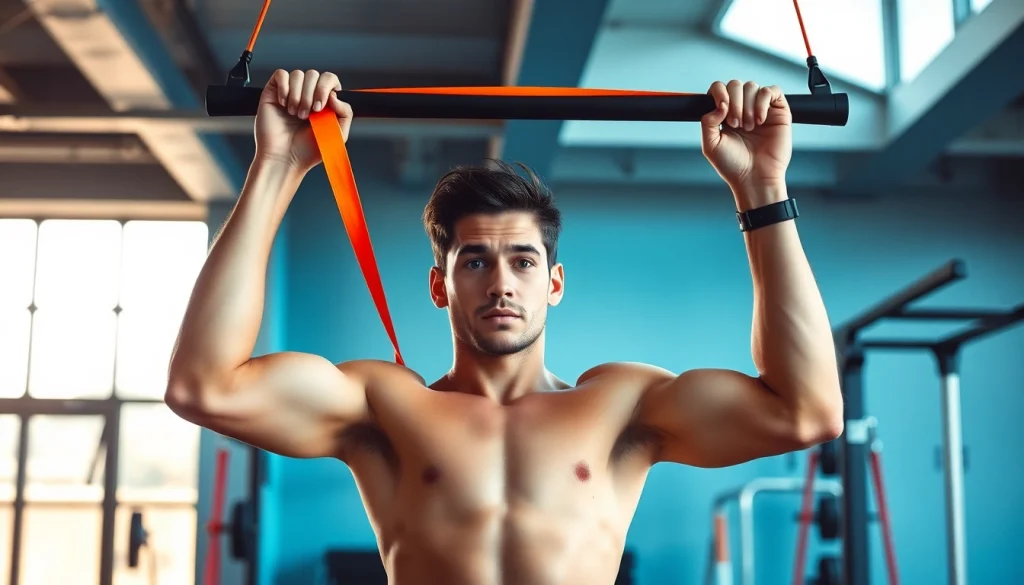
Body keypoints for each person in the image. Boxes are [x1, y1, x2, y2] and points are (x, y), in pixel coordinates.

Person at [166, 69, 844, 585]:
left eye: (523, 261)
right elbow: (205, 387)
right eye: (475, 261)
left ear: (553, 283)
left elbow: (807, 411)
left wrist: (761, 188)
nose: (500, 282)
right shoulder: (386, 405)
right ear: (440, 285)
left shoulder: (620, 406)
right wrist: (276, 168)